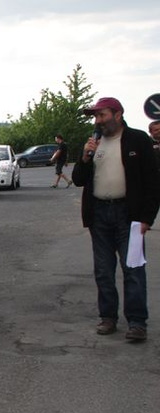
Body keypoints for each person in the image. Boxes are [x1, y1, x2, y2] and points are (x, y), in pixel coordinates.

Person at [71, 97, 160, 341]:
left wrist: (146, 219)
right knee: (103, 270)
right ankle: (108, 317)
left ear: (118, 115)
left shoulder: (137, 140)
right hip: (99, 214)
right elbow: (79, 179)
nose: (98, 120)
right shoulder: (94, 143)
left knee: (133, 269)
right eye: (96, 116)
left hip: (128, 216)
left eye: (102, 115)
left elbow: (153, 183)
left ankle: (137, 323)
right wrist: (86, 157)